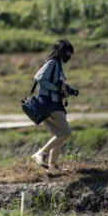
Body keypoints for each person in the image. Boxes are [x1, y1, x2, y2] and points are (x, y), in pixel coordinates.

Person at [31, 40, 78, 171]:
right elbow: (39, 78)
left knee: (58, 135)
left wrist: (67, 91)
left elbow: (57, 87)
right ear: (59, 51)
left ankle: (52, 167)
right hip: (49, 104)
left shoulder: (58, 65)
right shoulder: (52, 63)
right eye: (66, 51)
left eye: (70, 52)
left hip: (53, 103)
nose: (68, 54)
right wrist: (56, 88)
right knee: (65, 132)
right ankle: (40, 154)